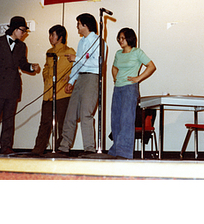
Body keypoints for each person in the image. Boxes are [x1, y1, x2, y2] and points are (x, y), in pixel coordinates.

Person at [0, 16, 40, 155]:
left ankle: (6, 147)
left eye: (25, 31)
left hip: (13, 87)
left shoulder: (22, 46)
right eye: (22, 30)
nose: (24, 33)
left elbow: (23, 64)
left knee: (9, 119)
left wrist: (31, 67)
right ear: (14, 29)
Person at [57, 13, 107, 156]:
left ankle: (89, 149)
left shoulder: (99, 41)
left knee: (86, 114)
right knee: (71, 114)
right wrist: (71, 81)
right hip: (80, 79)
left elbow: (98, 63)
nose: (77, 27)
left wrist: (77, 58)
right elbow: (76, 65)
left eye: (78, 24)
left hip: (92, 79)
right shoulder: (81, 42)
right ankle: (64, 147)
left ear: (85, 25)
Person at [108, 28, 156, 159]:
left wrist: (138, 78)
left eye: (123, 38)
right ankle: (116, 149)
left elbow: (151, 66)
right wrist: (115, 78)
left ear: (129, 38)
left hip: (130, 88)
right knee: (115, 119)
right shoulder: (118, 53)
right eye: (119, 38)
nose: (120, 41)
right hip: (118, 88)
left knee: (126, 120)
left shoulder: (137, 52)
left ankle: (124, 152)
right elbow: (114, 67)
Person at [31, 25, 76, 155]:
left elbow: (76, 67)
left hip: (62, 93)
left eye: (53, 35)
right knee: (45, 122)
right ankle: (38, 149)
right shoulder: (49, 52)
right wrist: (45, 76)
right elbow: (46, 68)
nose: (50, 38)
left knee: (62, 123)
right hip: (48, 93)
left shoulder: (69, 50)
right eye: (49, 35)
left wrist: (70, 78)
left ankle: (60, 149)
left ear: (60, 37)